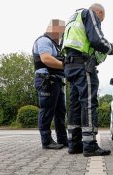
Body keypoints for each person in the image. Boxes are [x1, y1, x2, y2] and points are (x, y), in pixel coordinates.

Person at [62, 3, 113, 156]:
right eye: (102, 19)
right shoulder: (90, 14)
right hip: (83, 66)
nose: (100, 22)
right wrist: (112, 48)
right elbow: (97, 39)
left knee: (74, 105)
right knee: (88, 103)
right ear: (99, 12)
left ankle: (74, 145)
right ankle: (89, 145)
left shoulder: (72, 19)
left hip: (70, 65)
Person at [32, 19, 68, 150]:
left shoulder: (55, 45)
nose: (62, 34)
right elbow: (46, 59)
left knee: (60, 112)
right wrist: (66, 66)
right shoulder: (44, 41)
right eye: (61, 31)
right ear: (54, 29)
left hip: (56, 81)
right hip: (46, 80)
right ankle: (46, 141)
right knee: (47, 111)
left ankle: (63, 139)